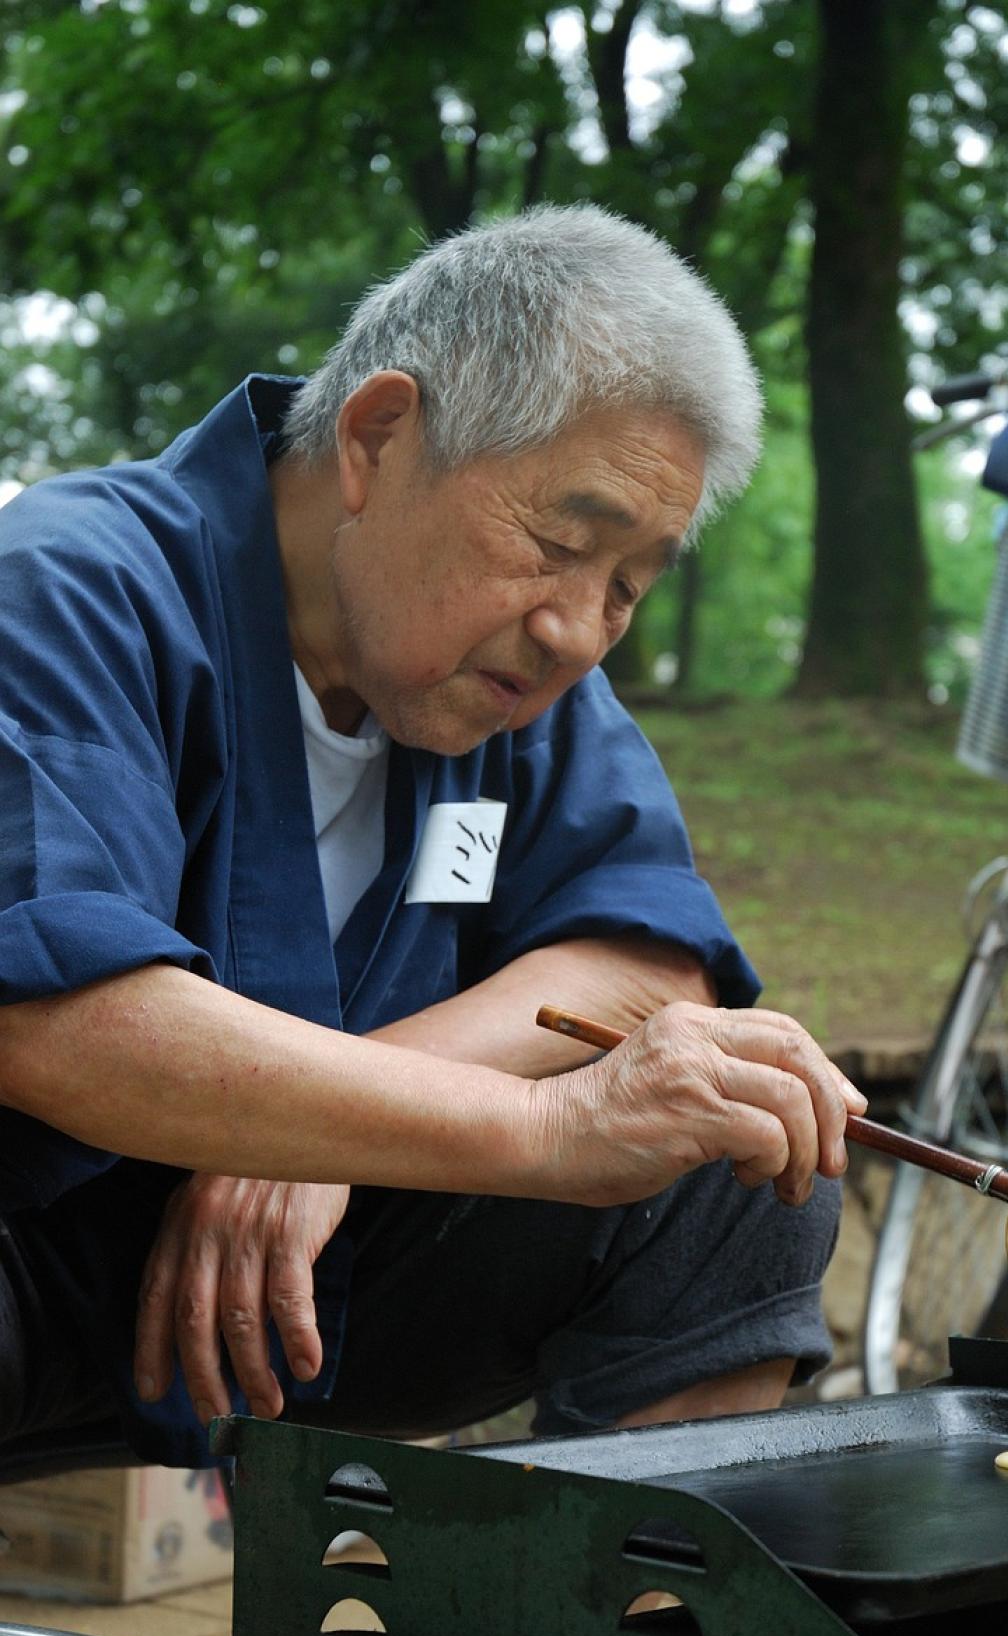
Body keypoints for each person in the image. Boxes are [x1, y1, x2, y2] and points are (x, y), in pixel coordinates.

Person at [0, 205, 865, 1470]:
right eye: (562, 543)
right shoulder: (72, 585)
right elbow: (48, 1017)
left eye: (628, 585)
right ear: (377, 436)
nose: (578, 627)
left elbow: (646, 962)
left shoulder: (506, 679)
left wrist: (332, 1128)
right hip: (34, 1247)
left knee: (731, 1151)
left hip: (302, 1289)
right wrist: (539, 1132)